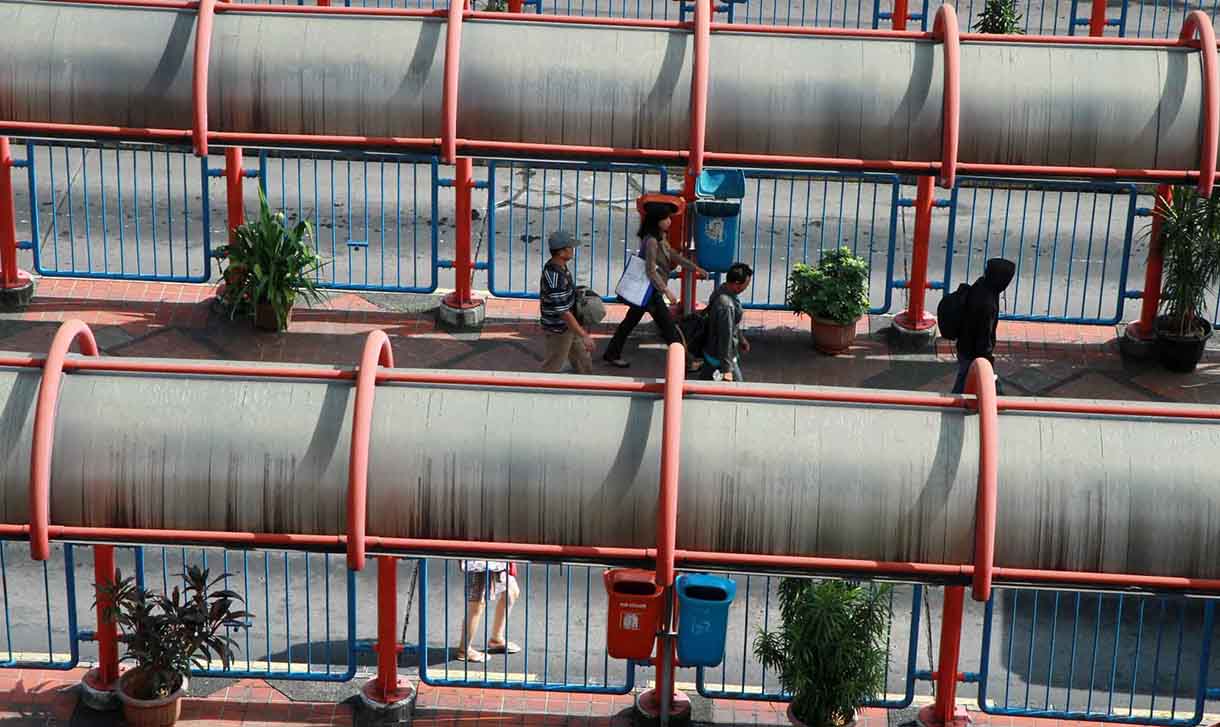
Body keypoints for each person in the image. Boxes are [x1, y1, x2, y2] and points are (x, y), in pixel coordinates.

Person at [603, 201, 708, 368]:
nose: (669, 221)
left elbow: (673, 255)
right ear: (656, 221)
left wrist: (694, 268)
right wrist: (666, 291)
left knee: (630, 323)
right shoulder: (651, 241)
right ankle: (686, 362)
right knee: (669, 329)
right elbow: (650, 270)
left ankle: (611, 353)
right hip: (651, 291)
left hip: (648, 291)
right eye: (666, 218)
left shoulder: (660, 237)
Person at [952, 257, 1016, 394]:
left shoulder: (983, 285)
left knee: (963, 378)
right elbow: (983, 335)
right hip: (973, 352)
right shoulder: (987, 304)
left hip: (965, 346)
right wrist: (987, 360)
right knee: (965, 382)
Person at [540, 230, 594, 374]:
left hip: (570, 326)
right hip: (559, 330)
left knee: (583, 361)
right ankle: (542, 391)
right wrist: (584, 335)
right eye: (570, 248)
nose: (572, 250)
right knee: (552, 367)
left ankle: (587, 386)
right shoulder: (554, 277)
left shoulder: (561, 267)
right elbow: (563, 312)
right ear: (561, 252)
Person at [698, 263, 753, 382]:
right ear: (737, 284)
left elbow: (731, 325)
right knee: (738, 391)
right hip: (720, 356)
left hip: (712, 351)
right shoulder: (727, 305)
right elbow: (725, 336)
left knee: (703, 385)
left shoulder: (722, 290)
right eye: (746, 285)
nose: (746, 287)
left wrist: (741, 339)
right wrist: (727, 369)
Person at [457, 560, 520, 662]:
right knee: (477, 603)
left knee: (511, 592)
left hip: (497, 558)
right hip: (478, 558)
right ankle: (464, 650)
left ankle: (496, 639)